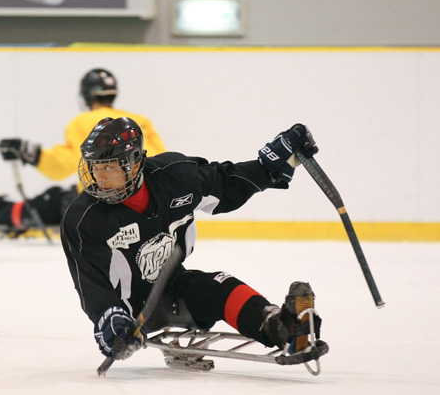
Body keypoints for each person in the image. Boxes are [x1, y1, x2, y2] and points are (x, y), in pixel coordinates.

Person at [60, 116, 323, 363]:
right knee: (205, 288)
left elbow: (226, 184)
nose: (99, 178)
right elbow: (91, 286)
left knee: (218, 285)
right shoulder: (83, 220)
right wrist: (111, 323)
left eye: (109, 168)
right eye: (95, 168)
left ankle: (282, 326)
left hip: (176, 285)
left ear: (135, 161)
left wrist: (271, 167)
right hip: (133, 313)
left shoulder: (175, 177)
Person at [0, 68, 167, 234]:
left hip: (104, 201)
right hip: (147, 202)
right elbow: (160, 158)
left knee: (54, 199)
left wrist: (32, 155)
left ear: (87, 95)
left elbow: (66, 163)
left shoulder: (84, 121)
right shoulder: (140, 121)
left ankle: (2, 213)